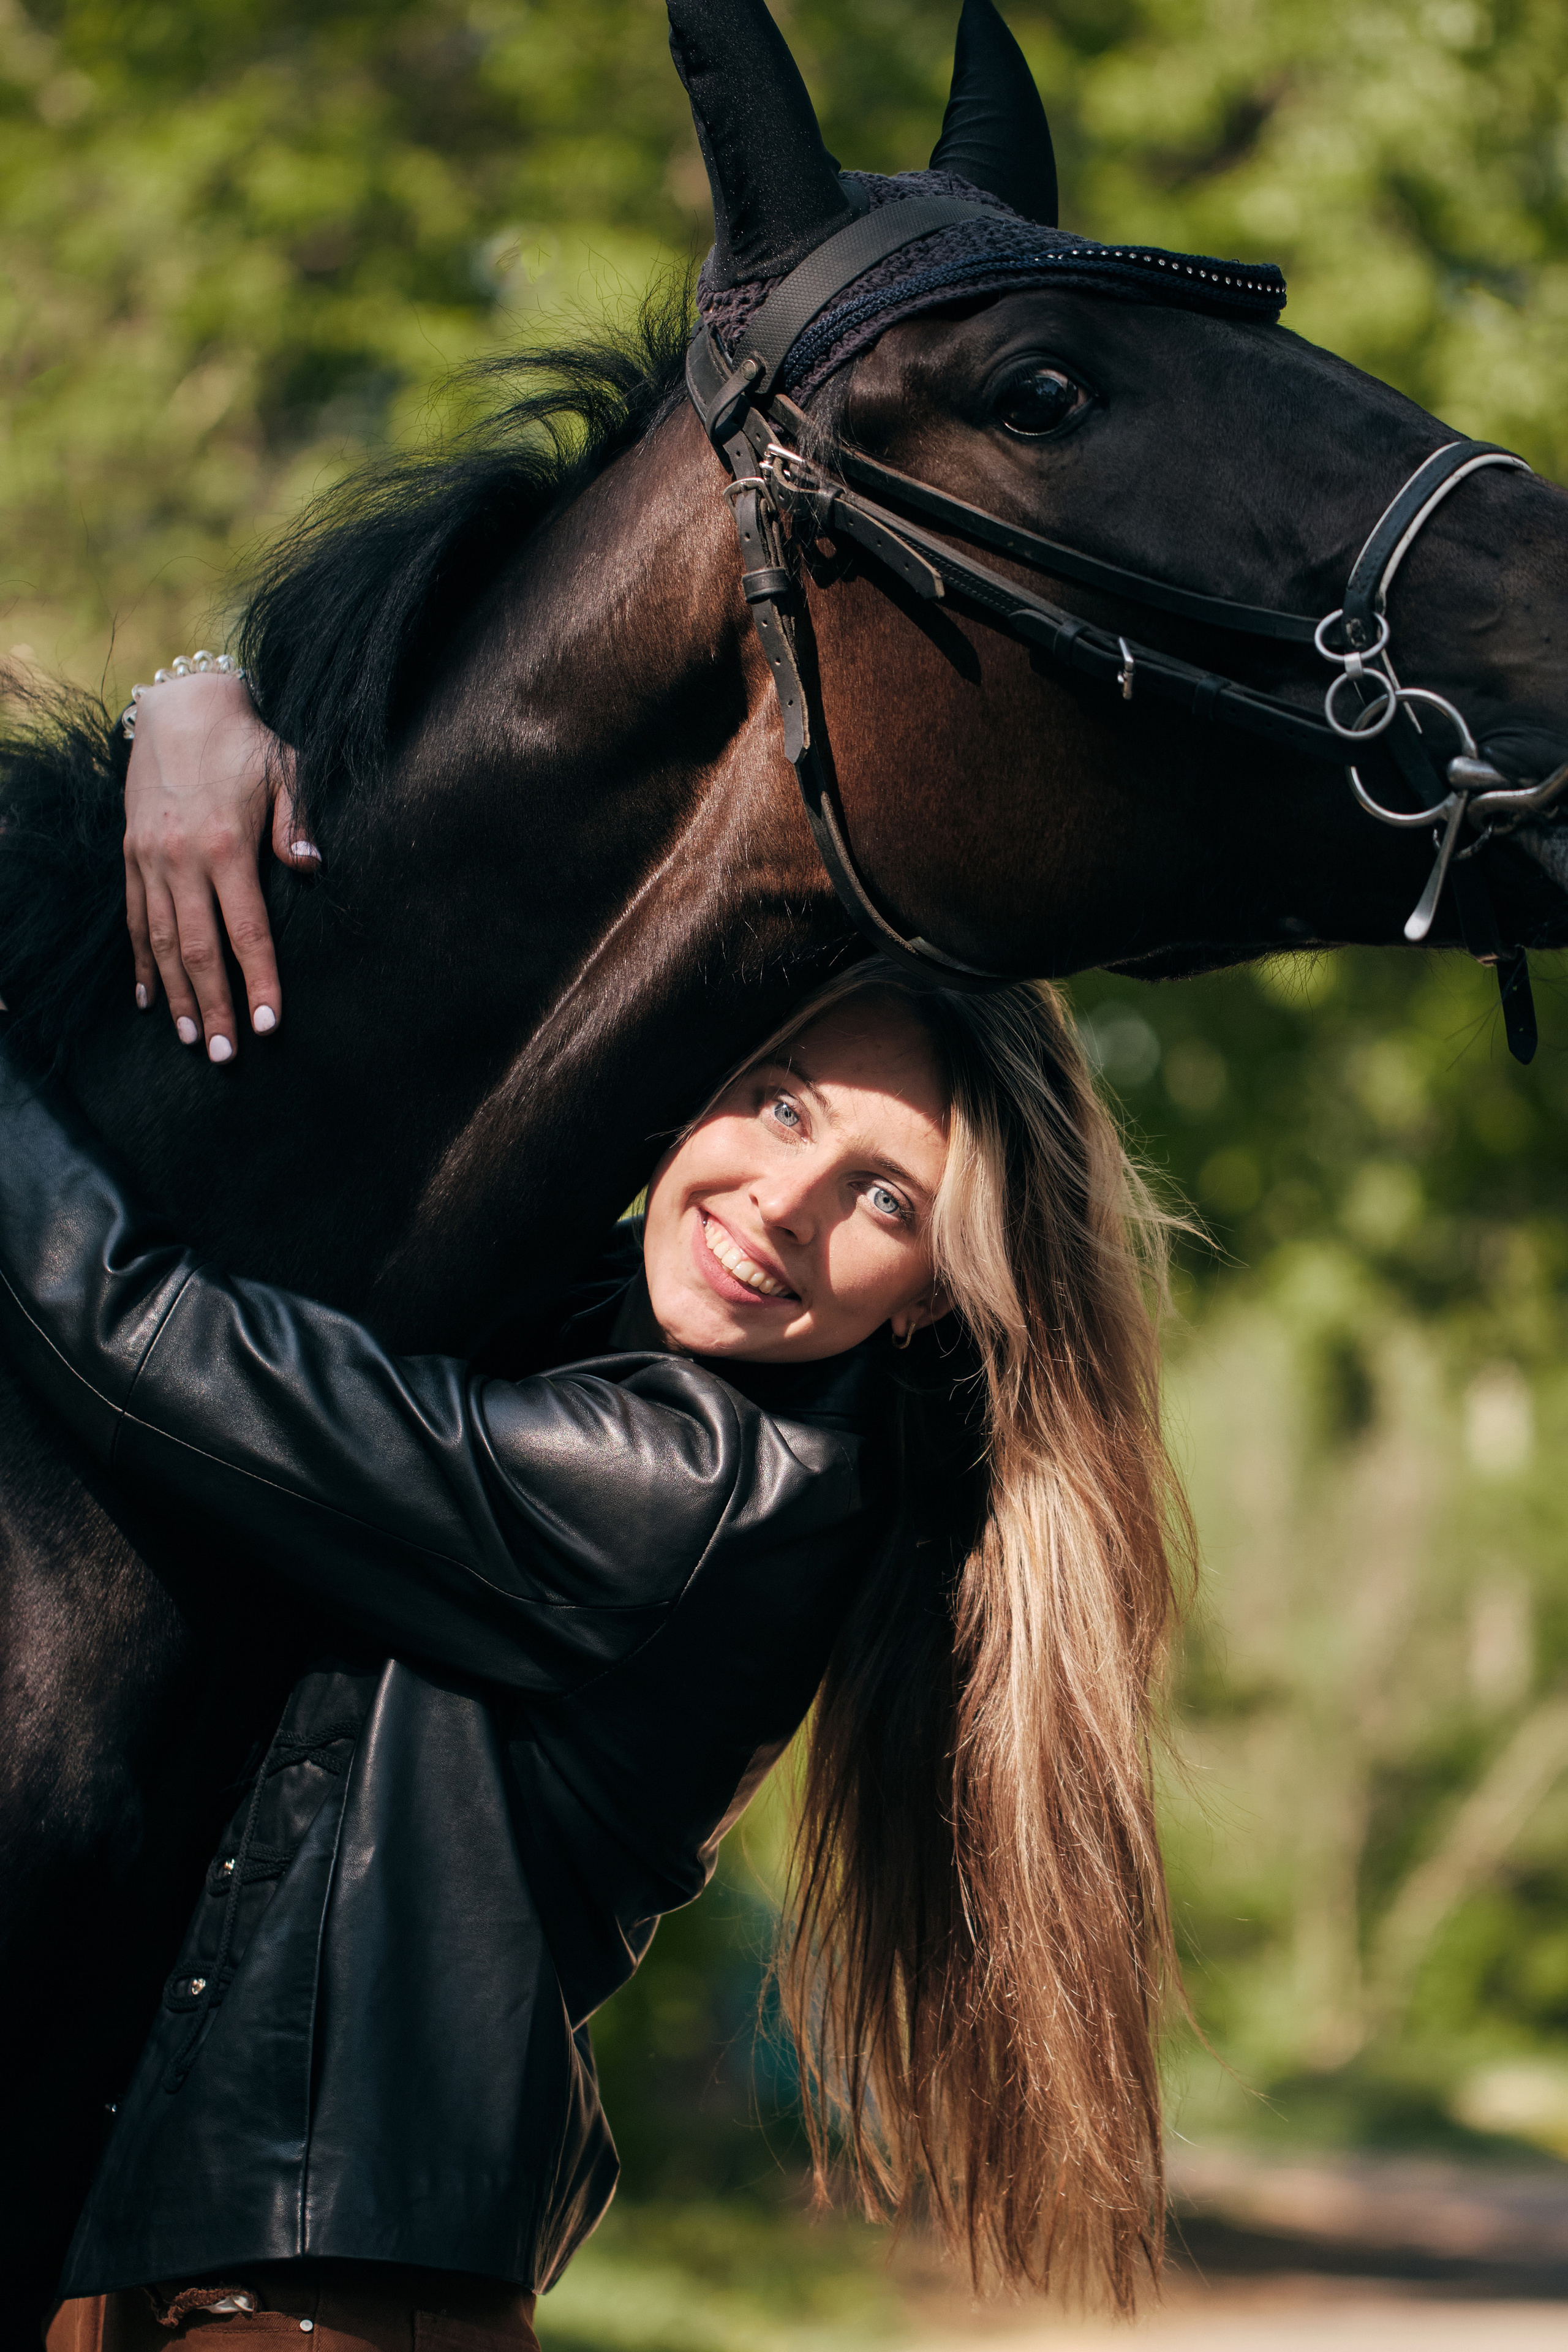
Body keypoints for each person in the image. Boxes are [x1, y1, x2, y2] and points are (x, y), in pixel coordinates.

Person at [0, 681, 1190, 2344]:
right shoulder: (611, 1348)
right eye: (781, 1102)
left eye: (884, 1197)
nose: (781, 1205)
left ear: (933, 1295)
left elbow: (160, 1346)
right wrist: (191, 715)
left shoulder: (706, 1490)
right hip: (225, 2254)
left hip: (310, 2291)